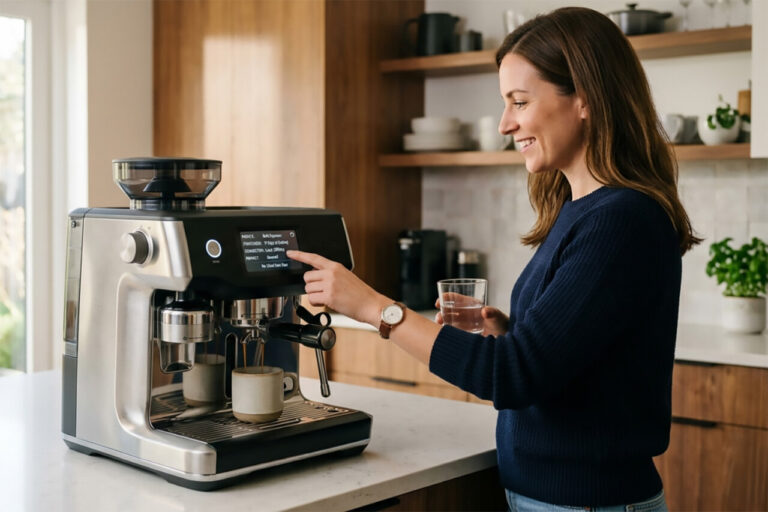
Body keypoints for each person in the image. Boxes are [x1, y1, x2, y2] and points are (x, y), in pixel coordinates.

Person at [287, 6, 700, 511]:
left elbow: (511, 377)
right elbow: (553, 368)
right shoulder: (581, 210)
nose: (506, 124)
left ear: (585, 100)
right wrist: (511, 335)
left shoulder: (621, 220)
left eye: (519, 102)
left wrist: (375, 307)